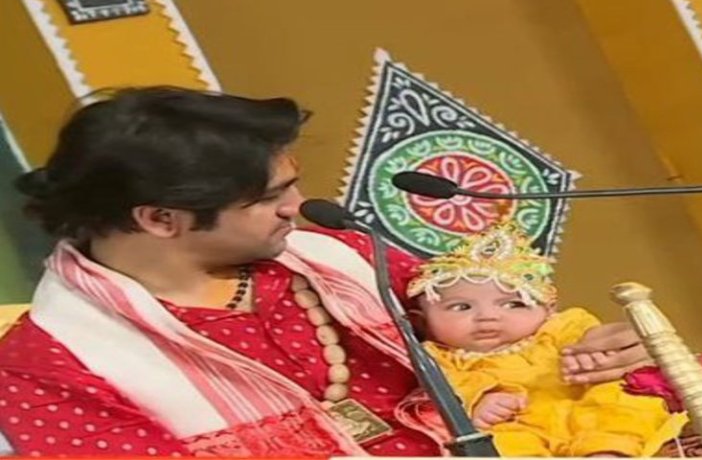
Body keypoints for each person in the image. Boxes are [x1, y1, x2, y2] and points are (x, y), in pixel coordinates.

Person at [0, 86, 652, 457]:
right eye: (268, 198)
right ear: (161, 219)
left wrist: (584, 352)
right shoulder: (49, 367)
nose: (296, 206)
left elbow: (499, 336)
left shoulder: (336, 261)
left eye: (292, 184)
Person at [406, 217, 667, 456]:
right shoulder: (434, 357)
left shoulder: (561, 326)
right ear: (421, 320)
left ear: (548, 309)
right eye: (461, 307)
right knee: (491, 442)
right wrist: (479, 401)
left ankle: (608, 450)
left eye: (513, 304)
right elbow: (447, 389)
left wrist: (594, 356)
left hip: (583, 406)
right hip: (517, 425)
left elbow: (593, 342)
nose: (488, 316)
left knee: (624, 394)